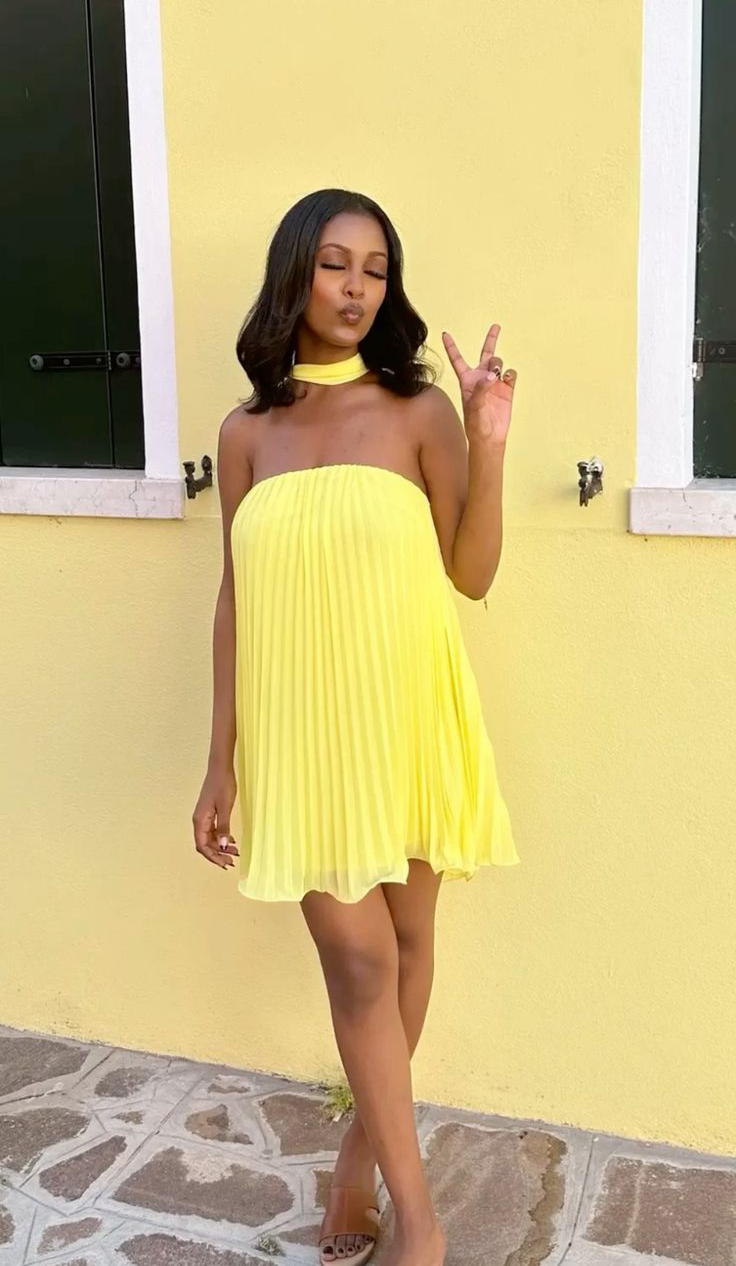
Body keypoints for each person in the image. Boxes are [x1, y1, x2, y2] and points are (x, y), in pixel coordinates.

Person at [192, 188, 521, 1266]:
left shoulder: (419, 412)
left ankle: (356, 1165)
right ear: (295, 274)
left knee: (411, 947)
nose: (356, 288)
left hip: (407, 711)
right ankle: (419, 1226)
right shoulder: (247, 432)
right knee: (361, 962)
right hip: (303, 732)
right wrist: (219, 764)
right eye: (336, 264)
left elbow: (471, 575)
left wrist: (487, 439)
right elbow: (235, 597)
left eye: (376, 270)